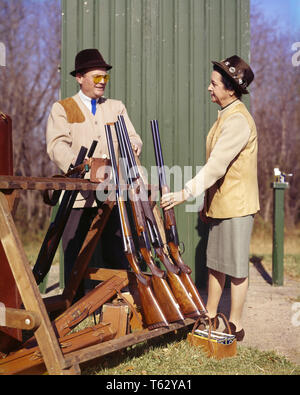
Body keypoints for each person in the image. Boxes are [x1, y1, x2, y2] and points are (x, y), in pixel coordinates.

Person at [161, 55, 260, 341]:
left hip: (237, 207)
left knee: (237, 267)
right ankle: (210, 314)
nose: (209, 88)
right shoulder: (226, 116)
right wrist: (206, 204)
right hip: (220, 205)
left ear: (230, 89)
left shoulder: (238, 120)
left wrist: (184, 194)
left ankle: (236, 325)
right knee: (216, 264)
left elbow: (216, 166)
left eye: (214, 83)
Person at [46, 48, 143, 296]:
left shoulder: (115, 107)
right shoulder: (63, 108)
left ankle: (118, 304)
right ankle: (74, 307)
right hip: (77, 195)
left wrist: (134, 145)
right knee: (74, 252)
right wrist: (82, 164)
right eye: (96, 77)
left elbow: (133, 138)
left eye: (105, 78)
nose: (101, 82)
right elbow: (56, 145)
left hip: (110, 193)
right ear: (79, 77)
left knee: (115, 251)